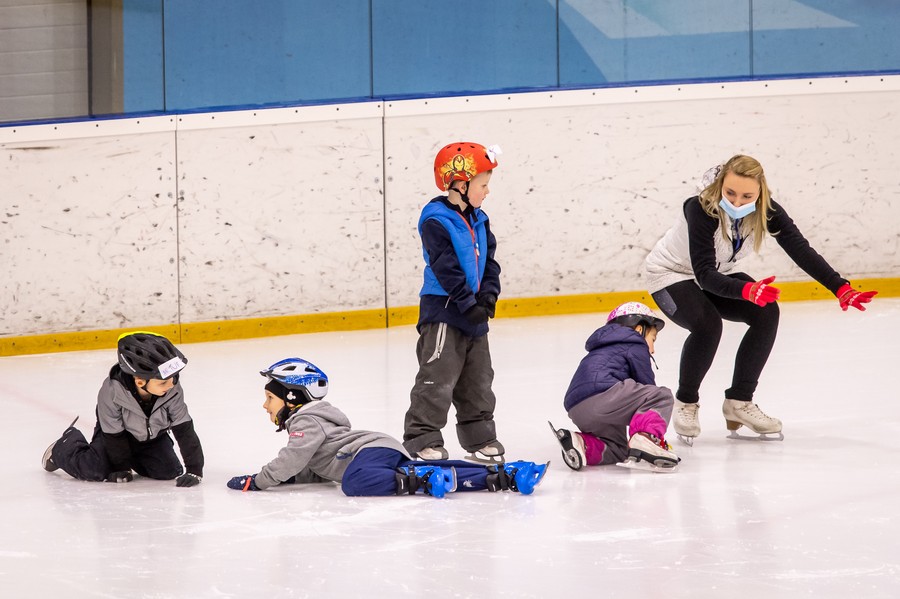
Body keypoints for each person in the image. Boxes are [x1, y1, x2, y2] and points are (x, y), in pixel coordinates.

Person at [644, 154, 877, 443]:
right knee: (707, 325)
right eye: (730, 193)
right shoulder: (700, 208)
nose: (738, 202)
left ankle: (739, 402)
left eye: (746, 195)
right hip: (671, 274)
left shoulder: (767, 210)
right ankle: (687, 402)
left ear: (760, 192)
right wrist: (745, 290)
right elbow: (703, 274)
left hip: (718, 273)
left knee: (766, 310)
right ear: (719, 187)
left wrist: (840, 287)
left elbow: (799, 249)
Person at [226, 358, 548, 497]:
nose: (266, 405)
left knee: (353, 484)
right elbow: (312, 466)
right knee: (443, 471)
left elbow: (292, 457)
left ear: (293, 397)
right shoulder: (314, 425)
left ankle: (421, 480)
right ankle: (506, 476)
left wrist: (259, 481)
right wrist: (292, 479)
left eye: (270, 397)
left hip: (366, 456)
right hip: (380, 451)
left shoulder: (305, 423)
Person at [402, 142, 506, 463]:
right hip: (444, 310)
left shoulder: (480, 219)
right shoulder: (436, 221)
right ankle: (422, 437)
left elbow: (489, 261)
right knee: (439, 374)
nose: (487, 191)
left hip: (473, 310)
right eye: (483, 185)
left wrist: (488, 295)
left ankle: (479, 436)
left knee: (478, 377)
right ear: (460, 184)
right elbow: (445, 267)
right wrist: (466, 301)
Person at [41, 331, 204, 486]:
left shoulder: (171, 388)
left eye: (174, 377)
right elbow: (113, 434)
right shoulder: (111, 392)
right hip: (115, 437)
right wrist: (121, 467)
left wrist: (194, 470)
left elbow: (184, 429)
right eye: (163, 382)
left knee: (168, 471)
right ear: (140, 382)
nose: (172, 385)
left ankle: (135, 457)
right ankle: (64, 445)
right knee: (94, 470)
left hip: (151, 437)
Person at [550, 302, 680, 473]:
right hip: (605, 396)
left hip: (577, 408)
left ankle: (581, 444)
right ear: (640, 329)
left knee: (618, 449)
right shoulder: (634, 342)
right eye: (653, 339)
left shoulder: (602, 347)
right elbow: (647, 385)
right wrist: (653, 433)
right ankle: (645, 438)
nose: (653, 349)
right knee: (661, 396)